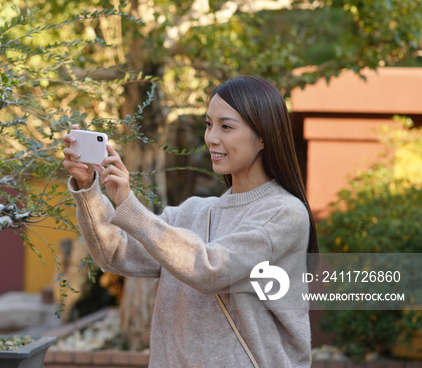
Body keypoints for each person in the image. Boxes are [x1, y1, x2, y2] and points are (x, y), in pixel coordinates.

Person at [62, 76, 317, 367]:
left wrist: (130, 206)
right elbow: (116, 253)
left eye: (226, 126)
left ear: (263, 137)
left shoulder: (284, 213)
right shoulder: (192, 212)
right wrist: (88, 187)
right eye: (209, 124)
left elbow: (210, 268)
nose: (211, 137)